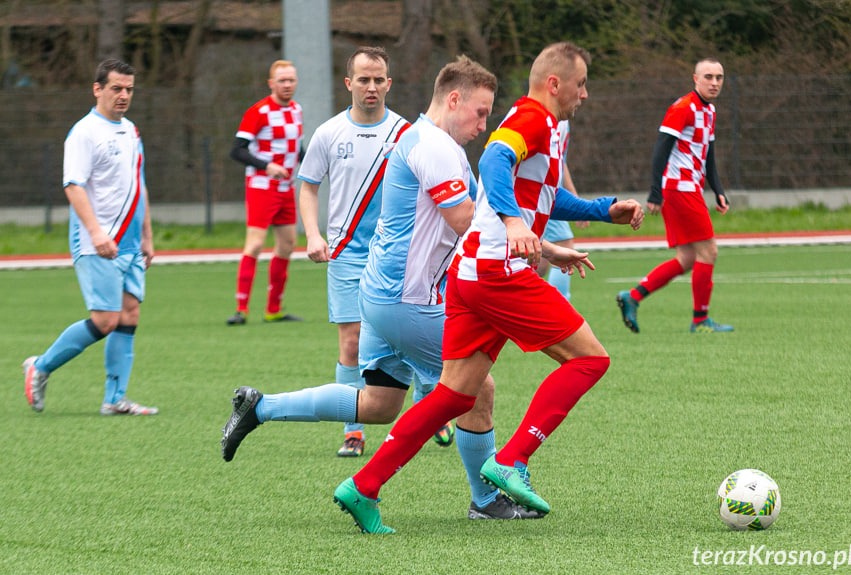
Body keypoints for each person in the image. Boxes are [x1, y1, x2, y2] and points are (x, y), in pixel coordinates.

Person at [332, 42, 645, 534]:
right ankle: (513, 461)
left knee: (456, 395)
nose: (586, 94)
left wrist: (604, 209)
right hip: (499, 270)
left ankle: (363, 486)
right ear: (555, 83)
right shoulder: (534, 118)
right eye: (581, 84)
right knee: (590, 359)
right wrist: (512, 221)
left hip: (471, 273)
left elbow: (544, 194)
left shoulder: (544, 127)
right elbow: (495, 160)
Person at [223, 56, 540, 522]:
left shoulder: (422, 138)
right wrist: (530, 238)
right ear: (454, 100)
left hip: (380, 295)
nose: (484, 124)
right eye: (481, 111)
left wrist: (537, 237)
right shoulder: (432, 146)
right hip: (405, 301)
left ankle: (260, 406)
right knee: (478, 387)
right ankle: (486, 501)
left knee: (377, 403)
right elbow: (465, 221)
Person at [22, 58, 158, 416]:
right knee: (105, 320)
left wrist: (147, 234)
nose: (123, 95)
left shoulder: (131, 130)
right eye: (116, 88)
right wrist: (96, 232)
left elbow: (137, 183)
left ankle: (115, 399)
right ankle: (41, 366)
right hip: (98, 241)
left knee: (129, 315)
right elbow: (73, 185)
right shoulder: (84, 132)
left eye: (129, 88)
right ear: (97, 89)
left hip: (129, 242)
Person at [296, 46, 412, 456]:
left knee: (408, 338)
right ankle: (353, 429)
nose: (371, 87)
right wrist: (312, 234)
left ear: (389, 84)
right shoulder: (329, 134)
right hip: (345, 254)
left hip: (397, 256)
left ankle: (426, 414)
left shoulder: (406, 133)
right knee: (352, 342)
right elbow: (308, 186)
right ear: (349, 83)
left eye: (379, 79)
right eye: (363, 79)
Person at [616, 58, 732, 334]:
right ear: (695, 79)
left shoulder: (710, 111)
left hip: (689, 189)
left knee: (688, 259)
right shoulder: (683, 108)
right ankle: (700, 320)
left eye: (719, 77)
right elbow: (661, 148)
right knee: (709, 251)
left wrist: (718, 190)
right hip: (679, 190)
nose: (714, 82)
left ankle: (633, 296)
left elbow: (709, 155)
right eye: (708, 77)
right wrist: (655, 191)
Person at [226, 60, 304, 325]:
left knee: (287, 245)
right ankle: (241, 309)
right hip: (261, 187)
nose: (287, 85)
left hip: (286, 189)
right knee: (256, 244)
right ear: (271, 83)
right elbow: (237, 150)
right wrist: (267, 165)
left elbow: (296, 149)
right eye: (282, 80)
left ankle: (273, 310)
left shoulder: (296, 110)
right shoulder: (258, 111)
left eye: (291, 80)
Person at [536, 119, 587, 300]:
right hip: (543, 195)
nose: (583, 95)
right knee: (563, 246)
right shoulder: (551, 120)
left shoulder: (560, 120)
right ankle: (557, 314)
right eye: (579, 88)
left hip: (550, 196)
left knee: (538, 264)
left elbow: (560, 162)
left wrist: (575, 200)